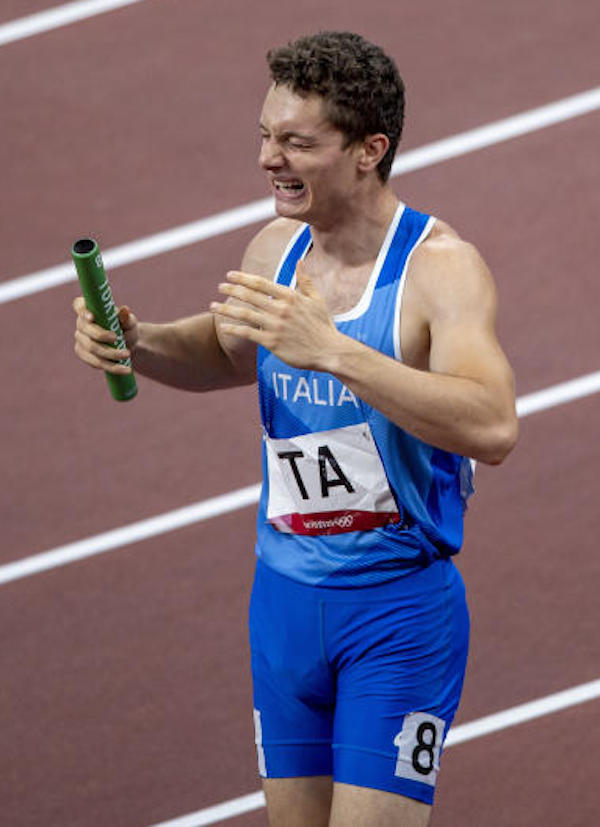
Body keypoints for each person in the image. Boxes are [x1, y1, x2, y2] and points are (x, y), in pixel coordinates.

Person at [73, 31, 518, 827]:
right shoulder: (277, 247)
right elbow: (224, 347)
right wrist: (138, 341)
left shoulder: (439, 268)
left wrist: (335, 352)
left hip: (396, 614)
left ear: (367, 150)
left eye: (295, 142)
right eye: (264, 135)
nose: (267, 160)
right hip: (281, 604)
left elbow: (492, 423)